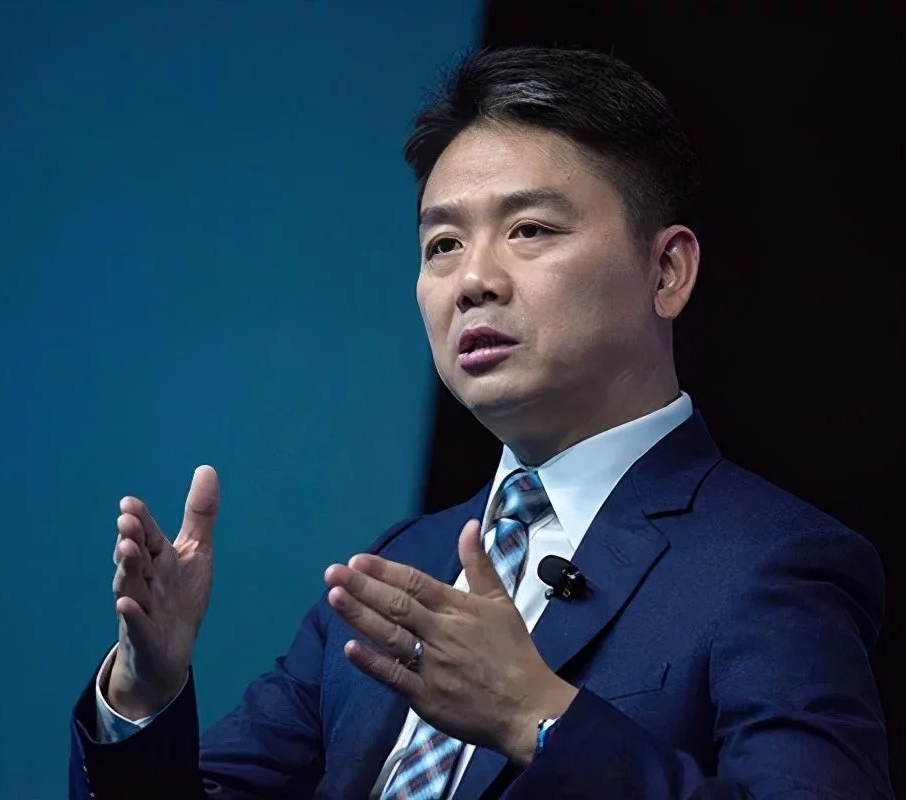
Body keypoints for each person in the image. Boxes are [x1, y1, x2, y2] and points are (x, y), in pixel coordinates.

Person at [68, 46, 891, 799]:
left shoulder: (774, 561)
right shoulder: (401, 565)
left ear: (667, 270)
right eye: (442, 245)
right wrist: (146, 692)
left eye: (529, 230)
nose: (472, 281)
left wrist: (540, 720)